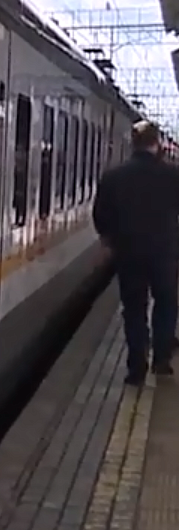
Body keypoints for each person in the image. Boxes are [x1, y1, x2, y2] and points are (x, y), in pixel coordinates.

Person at [92, 120, 179, 384]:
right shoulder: (173, 175)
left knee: (133, 309)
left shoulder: (113, 176)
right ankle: (161, 359)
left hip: (128, 253)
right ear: (157, 143)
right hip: (165, 253)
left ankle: (136, 367)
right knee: (166, 303)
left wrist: (110, 240)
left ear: (133, 143)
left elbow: (100, 215)